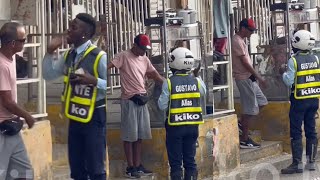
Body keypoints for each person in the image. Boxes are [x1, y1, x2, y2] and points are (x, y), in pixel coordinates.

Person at [42, 13, 108, 180]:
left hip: (94, 116)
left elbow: (109, 86)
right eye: (70, 26)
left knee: (95, 167)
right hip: (75, 116)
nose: (68, 30)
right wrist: (50, 52)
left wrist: (93, 81)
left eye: (73, 27)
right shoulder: (69, 55)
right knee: (77, 168)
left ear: (84, 33)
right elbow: (49, 75)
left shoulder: (99, 56)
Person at [107, 34, 164, 178]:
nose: (143, 52)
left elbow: (154, 74)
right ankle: (130, 166)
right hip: (129, 100)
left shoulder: (144, 59)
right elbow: (109, 66)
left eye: (145, 49)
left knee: (140, 136)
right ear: (135, 45)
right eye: (142, 49)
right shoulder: (123, 56)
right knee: (129, 136)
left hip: (142, 99)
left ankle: (138, 164)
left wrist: (167, 84)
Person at [158, 47, 206, 180]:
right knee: (190, 161)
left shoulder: (168, 82)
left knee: (176, 164)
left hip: (175, 128)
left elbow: (162, 106)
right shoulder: (196, 81)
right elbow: (203, 92)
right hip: (192, 127)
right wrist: (196, 75)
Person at [280, 30, 319, 174]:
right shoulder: (316, 58)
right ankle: (311, 162)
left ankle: (297, 163)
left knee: (296, 131)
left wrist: (282, 73)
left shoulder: (294, 60)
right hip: (314, 100)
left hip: (299, 101)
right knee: (311, 130)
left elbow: (289, 81)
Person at [0, 22, 35, 180]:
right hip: (2, 129)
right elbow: (7, 102)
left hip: (12, 128)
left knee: (24, 173)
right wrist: (27, 115)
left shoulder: (11, 58)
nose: (25, 42)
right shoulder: (1, 65)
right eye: (23, 40)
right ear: (13, 43)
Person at [231, 18, 268, 149]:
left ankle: (242, 124)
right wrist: (259, 76)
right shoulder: (236, 41)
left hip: (250, 78)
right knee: (250, 109)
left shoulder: (242, 40)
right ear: (243, 28)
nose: (251, 33)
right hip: (244, 78)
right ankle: (245, 139)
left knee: (262, 102)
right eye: (250, 30)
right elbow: (245, 63)